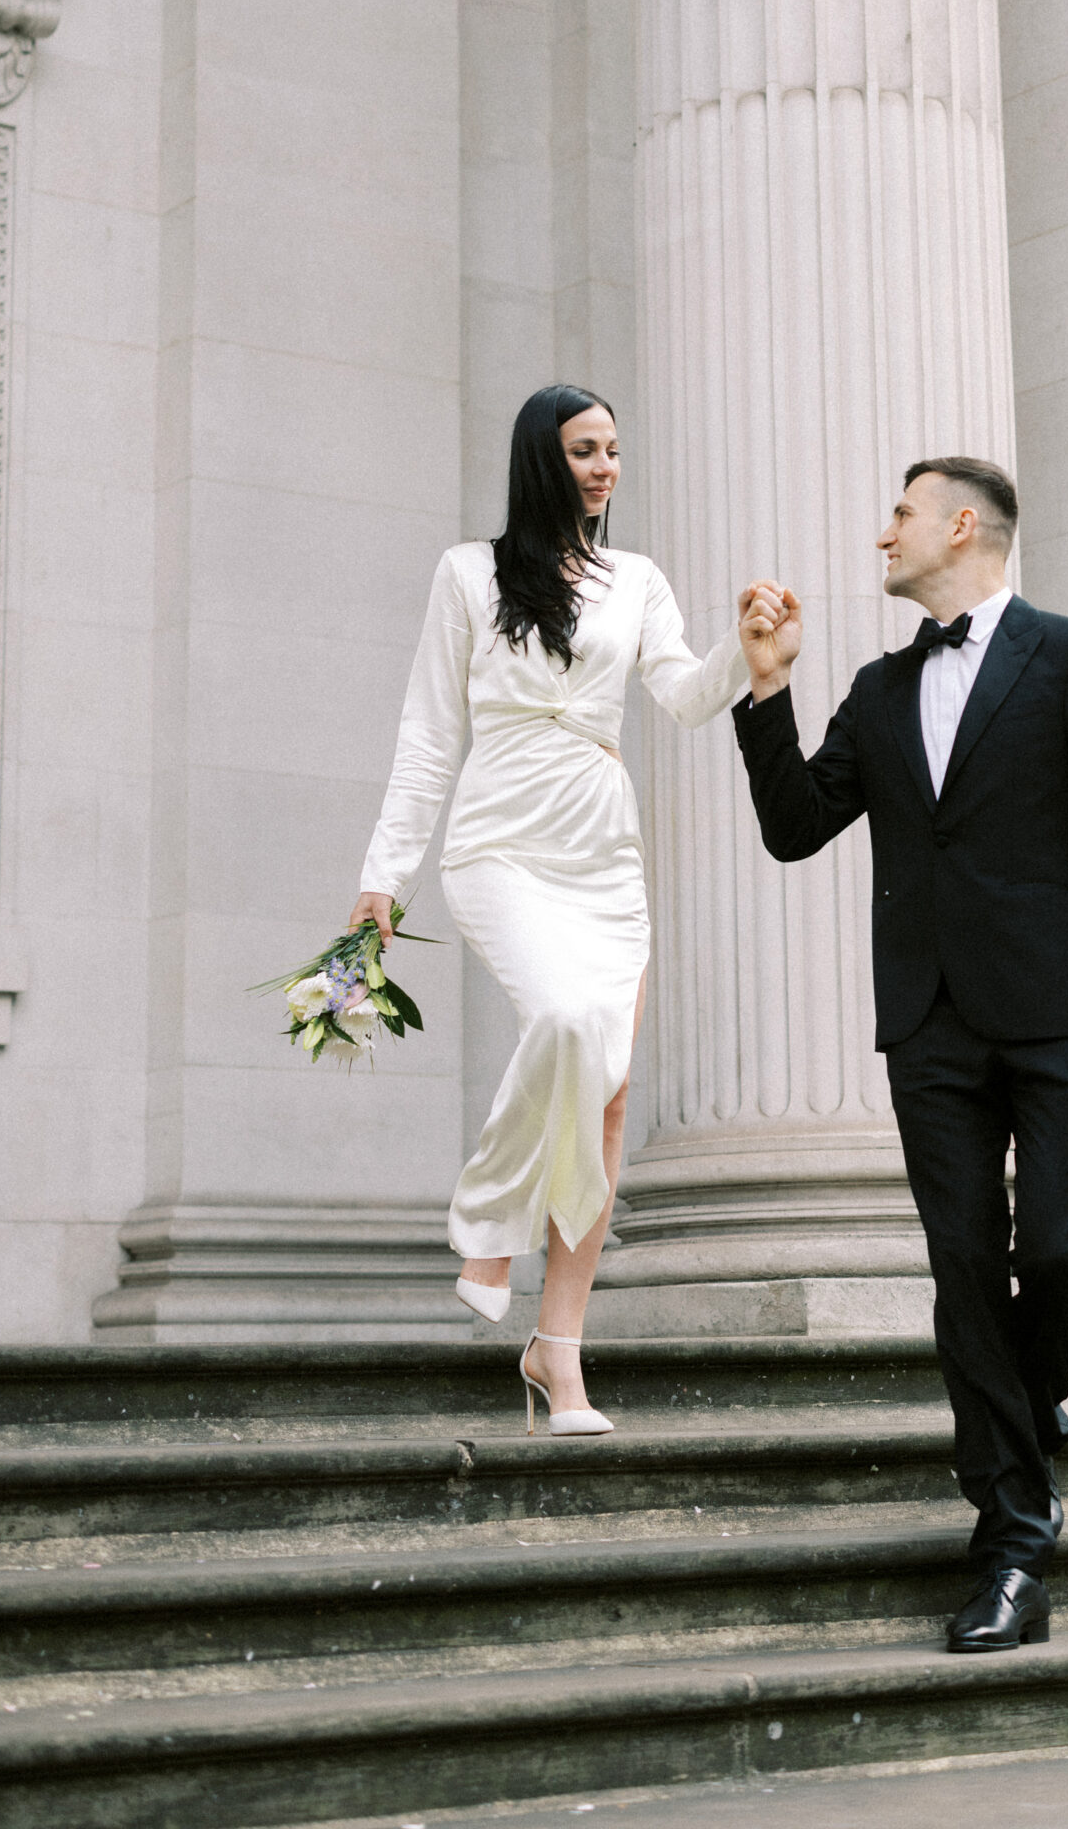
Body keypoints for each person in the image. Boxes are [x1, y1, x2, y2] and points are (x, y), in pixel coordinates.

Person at [734, 458, 1068, 1651]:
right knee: (967, 1269)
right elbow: (793, 828)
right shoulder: (880, 692)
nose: (884, 532)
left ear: (962, 525)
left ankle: (1022, 1419)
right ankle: (1015, 1542)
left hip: (1064, 1013)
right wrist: (766, 690)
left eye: (901, 513)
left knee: (1063, 1258)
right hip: (928, 1024)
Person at [350, 385, 754, 1435]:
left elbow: (682, 692)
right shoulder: (468, 575)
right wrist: (383, 879)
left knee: (609, 1097)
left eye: (616, 449)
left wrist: (749, 651)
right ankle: (489, 1224)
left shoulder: (636, 580)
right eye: (585, 450)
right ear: (544, 457)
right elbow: (429, 734)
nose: (606, 467)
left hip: (601, 855)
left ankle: (558, 1351)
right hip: (498, 845)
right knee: (570, 1025)